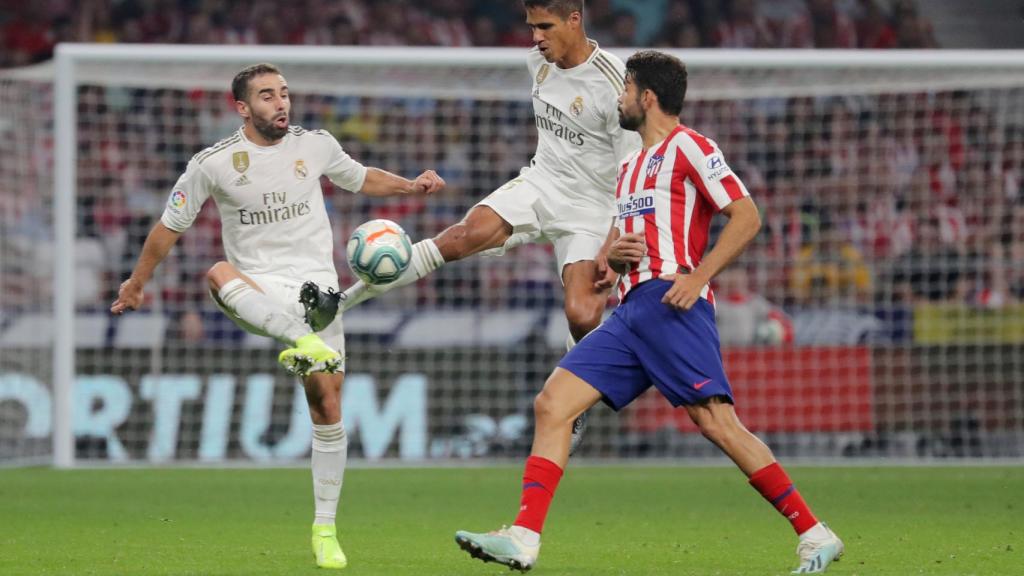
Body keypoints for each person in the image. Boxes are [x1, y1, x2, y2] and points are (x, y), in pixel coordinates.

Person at [453, 50, 844, 575]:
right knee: (552, 404)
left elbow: (747, 215)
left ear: (647, 98)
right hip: (630, 311)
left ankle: (814, 533)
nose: (619, 98)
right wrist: (611, 260)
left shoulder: (692, 147)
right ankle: (524, 537)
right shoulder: (630, 167)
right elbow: (619, 246)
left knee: (717, 423)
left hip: (672, 306)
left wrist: (699, 276)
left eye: (626, 89)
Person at [110, 63, 445, 570]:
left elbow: (359, 177)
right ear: (242, 108)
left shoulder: (316, 145)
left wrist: (410, 187)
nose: (281, 102)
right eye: (267, 96)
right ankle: (301, 335)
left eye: (284, 93)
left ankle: (325, 530)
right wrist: (137, 283)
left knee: (328, 409)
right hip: (261, 290)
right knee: (218, 271)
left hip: (318, 289)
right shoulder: (213, 163)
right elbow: (168, 227)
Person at [301, 0, 643, 451]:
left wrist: (612, 242)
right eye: (531, 27)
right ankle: (339, 304)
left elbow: (635, 168)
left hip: (595, 207)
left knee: (582, 314)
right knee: (461, 236)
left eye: (544, 26)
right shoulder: (536, 63)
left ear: (574, 21)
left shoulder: (612, 82)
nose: (535, 37)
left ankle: (574, 399)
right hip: (542, 182)